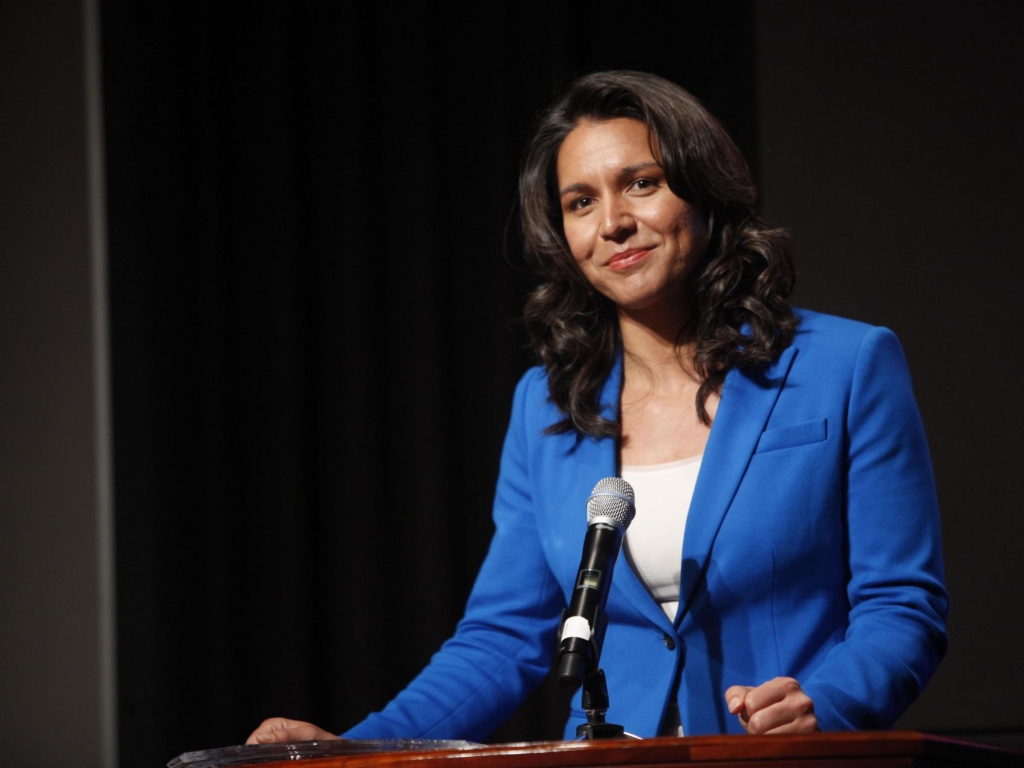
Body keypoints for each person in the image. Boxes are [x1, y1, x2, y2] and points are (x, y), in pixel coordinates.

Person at [247, 70, 948, 744]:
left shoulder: (846, 366)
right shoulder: (546, 407)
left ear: (705, 193)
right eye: (580, 202)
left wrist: (828, 702)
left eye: (641, 184)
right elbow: (505, 638)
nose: (612, 222)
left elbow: (902, 605)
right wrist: (358, 747)